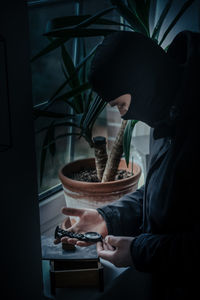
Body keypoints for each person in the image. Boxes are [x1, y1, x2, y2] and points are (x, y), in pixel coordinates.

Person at [55, 31, 200, 299]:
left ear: (143, 85)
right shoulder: (170, 115)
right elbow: (166, 194)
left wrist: (137, 252)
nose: (125, 115)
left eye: (121, 104)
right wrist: (106, 217)